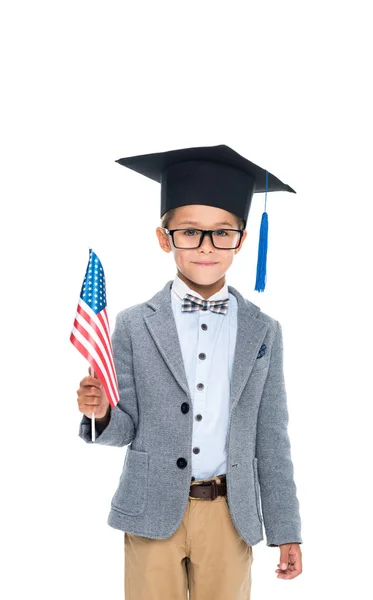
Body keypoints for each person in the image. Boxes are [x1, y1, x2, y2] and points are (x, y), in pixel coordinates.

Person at [76, 144, 303, 599]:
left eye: (222, 233)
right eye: (189, 232)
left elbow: (271, 438)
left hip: (228, 512)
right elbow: (127, 427)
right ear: (164, 238)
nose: (206, 247)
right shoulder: (135, 323)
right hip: (151, 507)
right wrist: (101, 412)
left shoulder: (264, 332)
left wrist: (286, 529)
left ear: (241, 240)